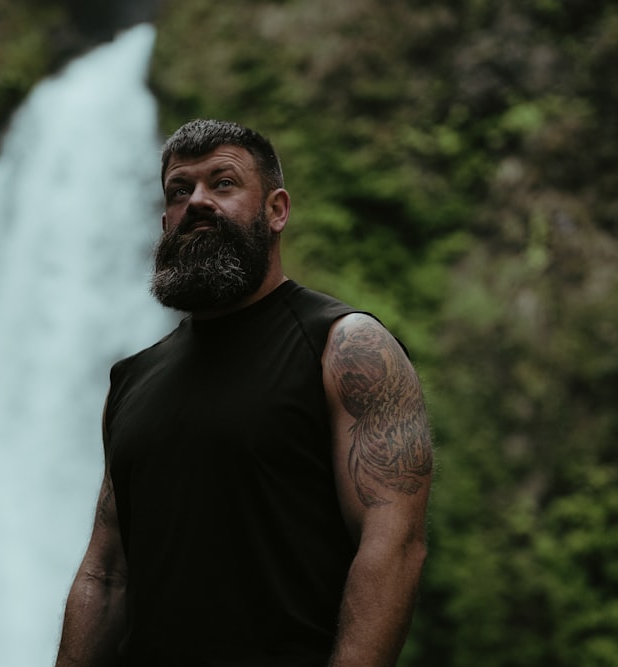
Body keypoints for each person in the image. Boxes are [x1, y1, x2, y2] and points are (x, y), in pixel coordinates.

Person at [56, 119, 433, 666]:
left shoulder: (345, 346)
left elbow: (394, 545)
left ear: (277, 210)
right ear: (166, 221)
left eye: (223, 183)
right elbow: (106, 570)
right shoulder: (131, 380)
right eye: (180, 191)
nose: (197, 202)